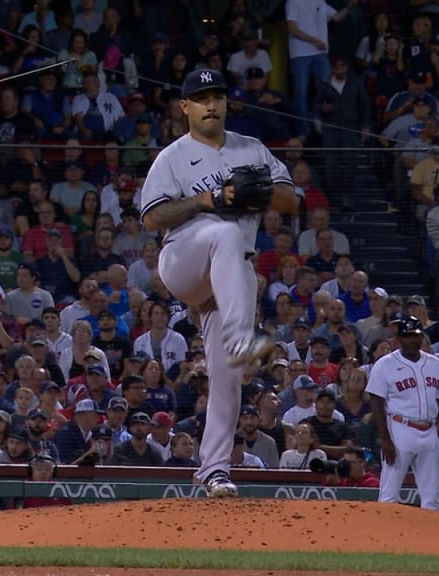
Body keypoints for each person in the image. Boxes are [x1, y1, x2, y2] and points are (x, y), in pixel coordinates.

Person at [139, 68, 297, 498]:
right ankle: (243, 336)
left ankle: (214, 470)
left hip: (231, 271)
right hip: (184, 258)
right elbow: (153, 217)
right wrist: (207, 200)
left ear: (227, 103)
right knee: (224, 230)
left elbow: (291, 200)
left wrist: (256, 191)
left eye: (218, 96)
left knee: (227, 372)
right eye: (201, 97)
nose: (211, 104)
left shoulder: (252, 148)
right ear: (185, 107)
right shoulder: (172, 156)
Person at [366, 316, 439, 511]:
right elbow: (377, 403)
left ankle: (432, 539)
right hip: (400, 428)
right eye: (407, 336)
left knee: (431, 497)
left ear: (422, 337)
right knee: (389, 494)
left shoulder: (434, 363)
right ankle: (382, 537)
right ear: (398, 338)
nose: (412, 340)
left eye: (415, 335)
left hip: (429, 431)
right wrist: (385, 439)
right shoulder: (384, 364)